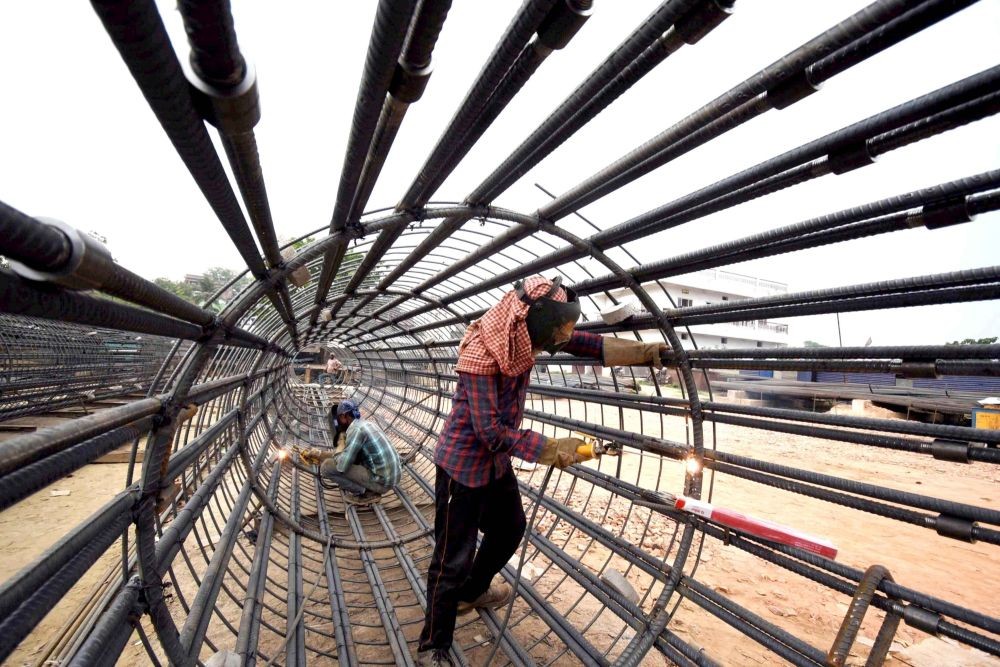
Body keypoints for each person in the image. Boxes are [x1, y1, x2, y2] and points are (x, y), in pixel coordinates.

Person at [416, 276, 665, 666]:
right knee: (451, 560)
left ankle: (472, 592)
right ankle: (434, 645)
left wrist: (642, 352)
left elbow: (578, 342)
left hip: (495, 464)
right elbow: (490, 432)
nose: (558, 338)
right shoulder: (482, 354)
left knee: (510, 528)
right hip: (462, 468)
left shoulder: (523, 334)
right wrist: (551, 448)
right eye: (555, 329)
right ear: (532, 319)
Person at [301, 399, 401, 503]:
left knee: (326, 467)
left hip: (382, 483)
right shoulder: (367, 424)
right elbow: (349, 455)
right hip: (392, 478)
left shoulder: (355, 431)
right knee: (343, 460)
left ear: (343, 416)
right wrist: (319, 454)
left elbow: (341, 466)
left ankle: (367, 493)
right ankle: (368, 487)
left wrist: (340, 446)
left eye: (339, 418)